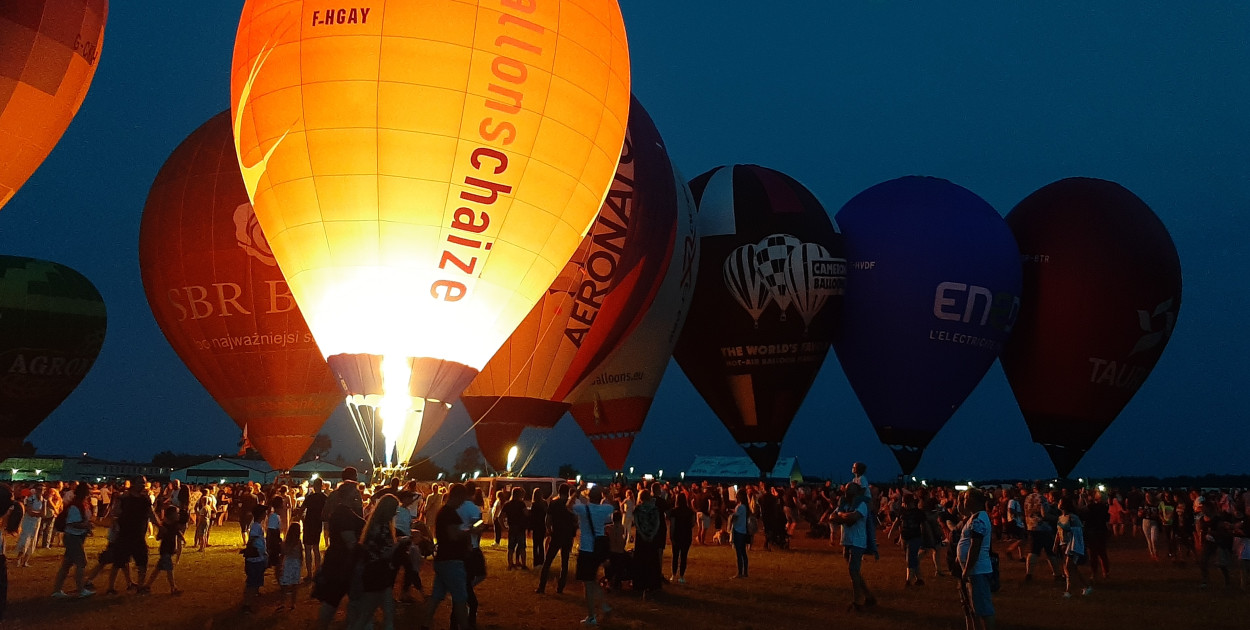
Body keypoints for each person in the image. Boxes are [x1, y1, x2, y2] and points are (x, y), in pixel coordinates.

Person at [419, 483, 476, 630]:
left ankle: (425, 624)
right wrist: (471, 530)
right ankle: (464, 626)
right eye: (462, 499)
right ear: (458, 496)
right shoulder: (450, 513)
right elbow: (453, 535)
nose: (462, 503)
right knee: (460, 598)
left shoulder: (443, 512)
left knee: (437, 596)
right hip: (452, 561)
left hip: (443, 560)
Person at [345, 494, 401, 630]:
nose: (395, 512)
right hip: (377, 575)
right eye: (394, 509)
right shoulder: (382, 528)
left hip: (375, 573)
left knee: (384, 611)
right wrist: (398, 546)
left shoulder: (374, 525)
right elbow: (383, 553)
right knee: (368, 614)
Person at [574, 484, 614, 626]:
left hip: (586, 549)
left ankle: (592, 616)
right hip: (599, 549)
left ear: (589, 496)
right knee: (592, 580)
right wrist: (607, 494)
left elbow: (568, 506)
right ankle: (604, 606)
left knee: (588, 583)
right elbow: (613, 504)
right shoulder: (605, 509)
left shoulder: (583, 509)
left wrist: (578, 490)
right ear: (600, 496)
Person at [831, 482, 875, 612]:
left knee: (853, 570)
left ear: (856, 492)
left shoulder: (861, 505)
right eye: (846, 489)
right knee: (854, 572)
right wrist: (843, 516)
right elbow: (831, 516)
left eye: (850, 490)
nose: (846, 492)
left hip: (857, 541)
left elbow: (853, 518)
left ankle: (857, 601)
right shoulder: (844, 504)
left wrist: (840, 516)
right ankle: (869, 597)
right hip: (847, 541)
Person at [957, 489, 995, 630]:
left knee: (984, 609)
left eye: (966, 498)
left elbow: (975, 547)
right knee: (976, 607)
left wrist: (967, 569)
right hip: (975, 569)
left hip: (977, 570)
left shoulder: (979, 519)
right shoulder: (975, 516)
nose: (964, 501)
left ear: (974, 500)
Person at [113, 477, 159, 592]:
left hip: (139, 536)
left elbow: (151, 513)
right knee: (120, 561)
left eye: (144, 483)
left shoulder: (145, 499)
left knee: (142, 562)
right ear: (134, 484)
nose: (143, 485)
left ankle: (140, 586)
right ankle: (115, 586)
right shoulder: (125, 498)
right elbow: (116, 512)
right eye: (141, 483)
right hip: (125, 534)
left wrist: (160, 525)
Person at [50, 483, 94, 599]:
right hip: (73, 537)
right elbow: (71, 523)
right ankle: (80, 589)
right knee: (81, 562)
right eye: (89, 490)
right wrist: (85, 526)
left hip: (77, 536)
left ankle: (57, 590)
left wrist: (87, 527)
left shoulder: (84, 504)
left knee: (67, 564)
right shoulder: (76, 506)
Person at [537, 483, 576, 595]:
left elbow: (547, 518)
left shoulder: (554, 503)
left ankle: (542, 586)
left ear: (559, 492)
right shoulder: (571, 505)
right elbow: (575, 521)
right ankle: (560, 587)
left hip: (557, 534)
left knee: (548, 561)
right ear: (568, 492)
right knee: (565, 562)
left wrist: (549, 529)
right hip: (567, 536)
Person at [143, 506, 183, 595]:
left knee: (157, 570)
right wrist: (162, 533)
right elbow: (158, 537)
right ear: (171, 515)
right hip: (165, 551)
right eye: (177, 513)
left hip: (169, 550)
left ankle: (147, 586)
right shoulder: (165, 525)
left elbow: (177, 533)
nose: (178, 515)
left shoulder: (175, 525)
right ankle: (173, 588)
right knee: (169, 570)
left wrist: (182, 539)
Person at [241, 504, 268, 613]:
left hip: (257, 557)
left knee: (254, 580)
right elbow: (253, 540)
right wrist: (252, 551)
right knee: (252, 582)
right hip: (255, 558)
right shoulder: (256, 526)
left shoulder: (257, 525)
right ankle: (247, 604)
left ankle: (253, 595)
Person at [302, 477, 327, 580]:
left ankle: (309, 574)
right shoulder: (325, 498)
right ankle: (316, 572)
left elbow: (301, 509)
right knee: (316, 549)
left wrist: (301, 519)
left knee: (308, 549)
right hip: (317, 524)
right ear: (322, 486)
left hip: (308, 524)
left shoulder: (309, 497)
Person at [668, 493, 695, 584]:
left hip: (677, 535)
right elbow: (692, 524)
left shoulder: (674, 511)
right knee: (684, 556)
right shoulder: (690, 511)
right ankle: (682, 576)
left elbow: (673, 525)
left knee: (675, 555)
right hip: (686, 535)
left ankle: (673, 574)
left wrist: (671, 536)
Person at [16, 482, 44, 568]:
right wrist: (39, 513)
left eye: (42, 489)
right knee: (25, 539)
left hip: (36, 522)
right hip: (28, 521)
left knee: (33, 540)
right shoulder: (31, 499)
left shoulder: (43, 500)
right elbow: (29, 511)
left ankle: (25, 561)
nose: (41, 491)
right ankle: (19, 560)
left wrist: (38, 513)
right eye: (39, 489)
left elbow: (43, 513)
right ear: (35, 490)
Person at [503, 487, 529, 570]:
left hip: (511, 528)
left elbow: (500, 517)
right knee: (522, 547)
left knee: (511, 548)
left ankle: (510, 564)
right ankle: (524, 564)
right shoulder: (521, 504)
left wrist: (503, 527)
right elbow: (526, 514)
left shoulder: (507, 504)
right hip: (520, 528)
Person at [728, 490, 750, 579]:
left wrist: (731, 515)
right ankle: (745, 572)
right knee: (743, 553)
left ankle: (740, 572)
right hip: (743, 530)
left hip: (738, 530)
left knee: (739, 553)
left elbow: (735, 516)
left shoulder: (741, 507)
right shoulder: (745, 507)